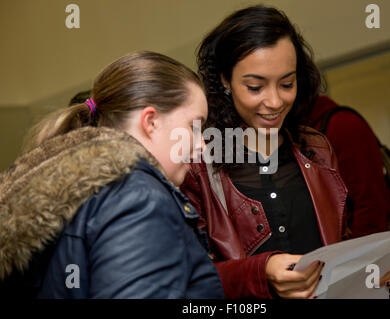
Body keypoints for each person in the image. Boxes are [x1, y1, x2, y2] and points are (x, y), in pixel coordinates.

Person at [181, 5, 390, 299]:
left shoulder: (317, 149)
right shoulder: (197, 164)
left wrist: (381, 284)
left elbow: (339, 265)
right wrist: (261, 273)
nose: (275, 101)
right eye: (255, 87)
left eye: (287, 84)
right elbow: (185, 279)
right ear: (224, 81)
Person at [0, 51, 224, 299]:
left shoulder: (79, 188)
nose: (202, 145)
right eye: (194, 126)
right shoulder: (138, 198)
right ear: (151, 121)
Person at [308, 96, 390, 238]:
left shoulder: (341, 125)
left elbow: (370, 204)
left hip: (362, 248)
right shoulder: (303, 133)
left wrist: (359, 258)